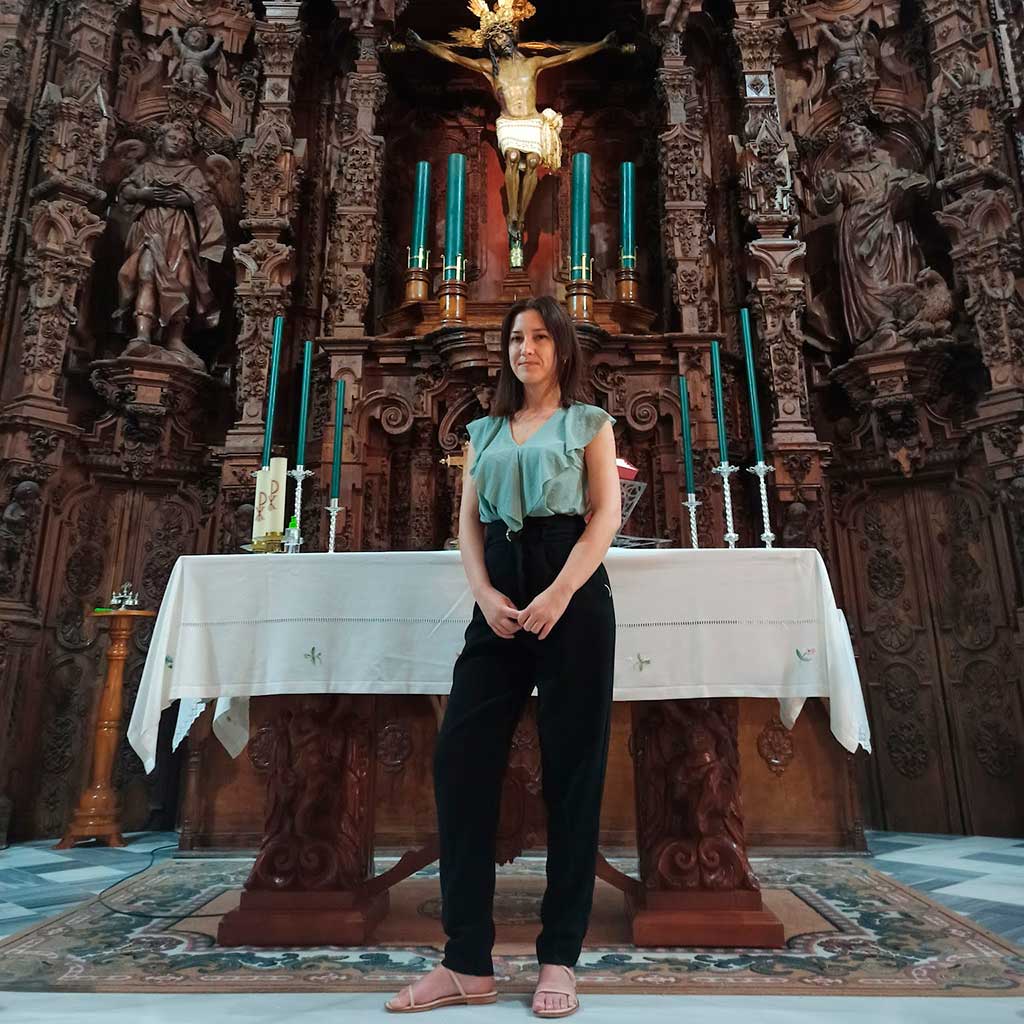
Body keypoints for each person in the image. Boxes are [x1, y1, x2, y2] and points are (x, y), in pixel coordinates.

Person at [386, 296, 621, 1018]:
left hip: (569, 589)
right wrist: (485, 595)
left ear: (563, 349)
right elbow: (466, 524)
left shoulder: (590, 424)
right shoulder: (482, 430)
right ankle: (466, 961)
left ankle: (560, 957)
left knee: (573, 768)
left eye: (541, 337)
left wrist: (559, 594)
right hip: (502, 598)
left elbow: (604, 514)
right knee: (461, 759)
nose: (527, 349)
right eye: (517, 337)